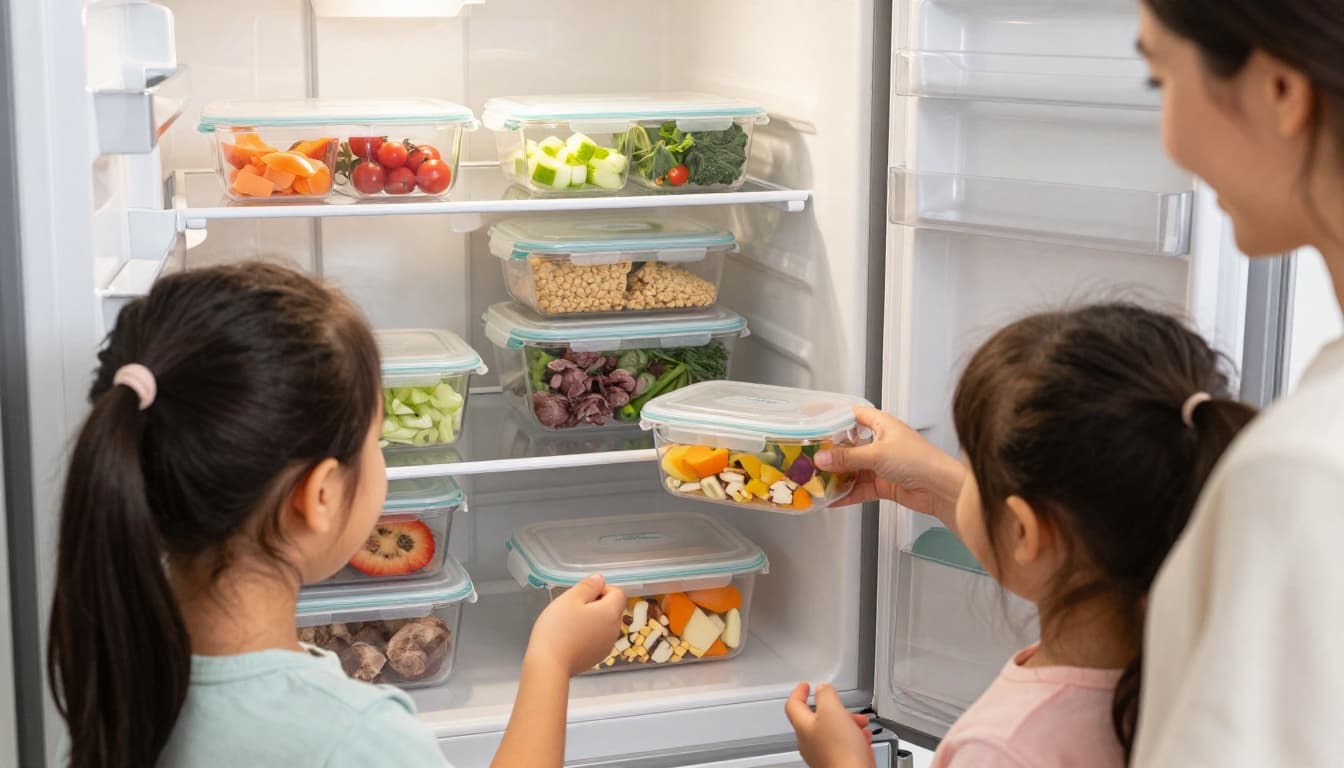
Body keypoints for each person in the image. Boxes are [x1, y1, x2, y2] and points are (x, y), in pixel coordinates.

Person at [798, 2, 1344, 763]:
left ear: (1280, 91)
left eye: (1159, 79)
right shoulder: (1287, 445)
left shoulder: (1304, 473)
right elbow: (1093, 574)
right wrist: (945, 485)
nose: (1167, 136)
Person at [46, 263, 626, 768]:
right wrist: (550, 661)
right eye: (375, 440)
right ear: (319, 496)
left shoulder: (120, 669)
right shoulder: (354, 739)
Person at [787, 304, 1255, 767]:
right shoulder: (1205, 675)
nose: (962, 478)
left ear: (1025, 531)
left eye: (970, 468)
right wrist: (944, 484)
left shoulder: (1002, 749)